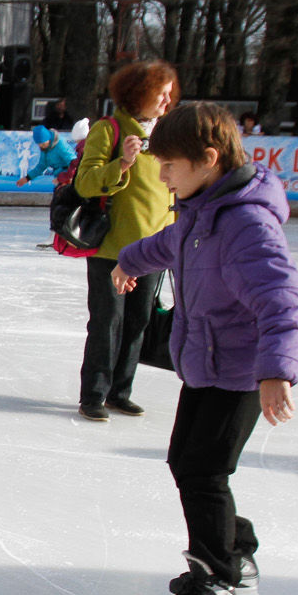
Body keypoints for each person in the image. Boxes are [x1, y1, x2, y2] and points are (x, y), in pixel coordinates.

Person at [111, 103, 298, 595]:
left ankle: (217, 589)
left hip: (243, 372)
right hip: (204, 366)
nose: (162, 176)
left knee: (204, 471)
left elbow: (282, 301)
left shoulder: (246, 224)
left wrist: (276, 372)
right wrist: (129, 260)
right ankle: (235, 555)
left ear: (209, 159)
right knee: (189, 463)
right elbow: (166, 244)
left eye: (169, 165)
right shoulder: (200, 213)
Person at [73, 60, 179, 421]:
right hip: (112, 249)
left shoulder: (168, 134)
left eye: (169, 94)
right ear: (139, 94)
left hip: (155, 249)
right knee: (107, 323)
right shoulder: (110, 130)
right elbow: (85, 183)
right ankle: (94, 394)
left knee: (138, 322)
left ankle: (120, 392)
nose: (166, 101)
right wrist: (122, 164)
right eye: (160, 94)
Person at [18, 122, 76, 186]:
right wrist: (27, 178)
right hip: (59, 176)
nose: (42, 146)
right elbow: (41, 166)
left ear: (48, 139)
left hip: (68, 176)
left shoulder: (60, 145)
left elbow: (73, 162)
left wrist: (68, 177)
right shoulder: (45, 149)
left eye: (43, 144)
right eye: (39, 144)